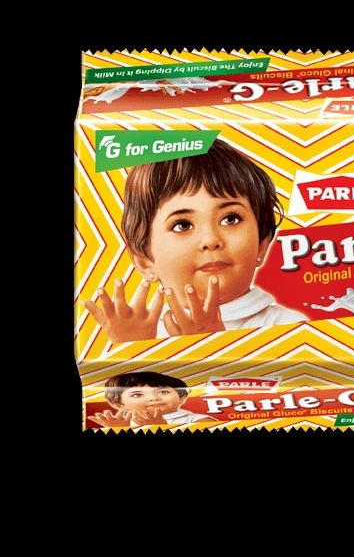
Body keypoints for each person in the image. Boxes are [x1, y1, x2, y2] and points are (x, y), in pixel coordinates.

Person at [83, 137, 306, 343]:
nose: (210, 240)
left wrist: (208, 344)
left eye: (230, 219)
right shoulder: (142, 334)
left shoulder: (289, 327)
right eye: (182, 225)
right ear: (145, 261)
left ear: (262, 245)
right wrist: (131, 348)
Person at [88, 371, 216, 428]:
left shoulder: (198, 420)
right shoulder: (125, 424)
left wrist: (162, 428)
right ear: (119, 405)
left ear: (182, 397)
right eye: (137, 395)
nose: (154, 398)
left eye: (163, 392)